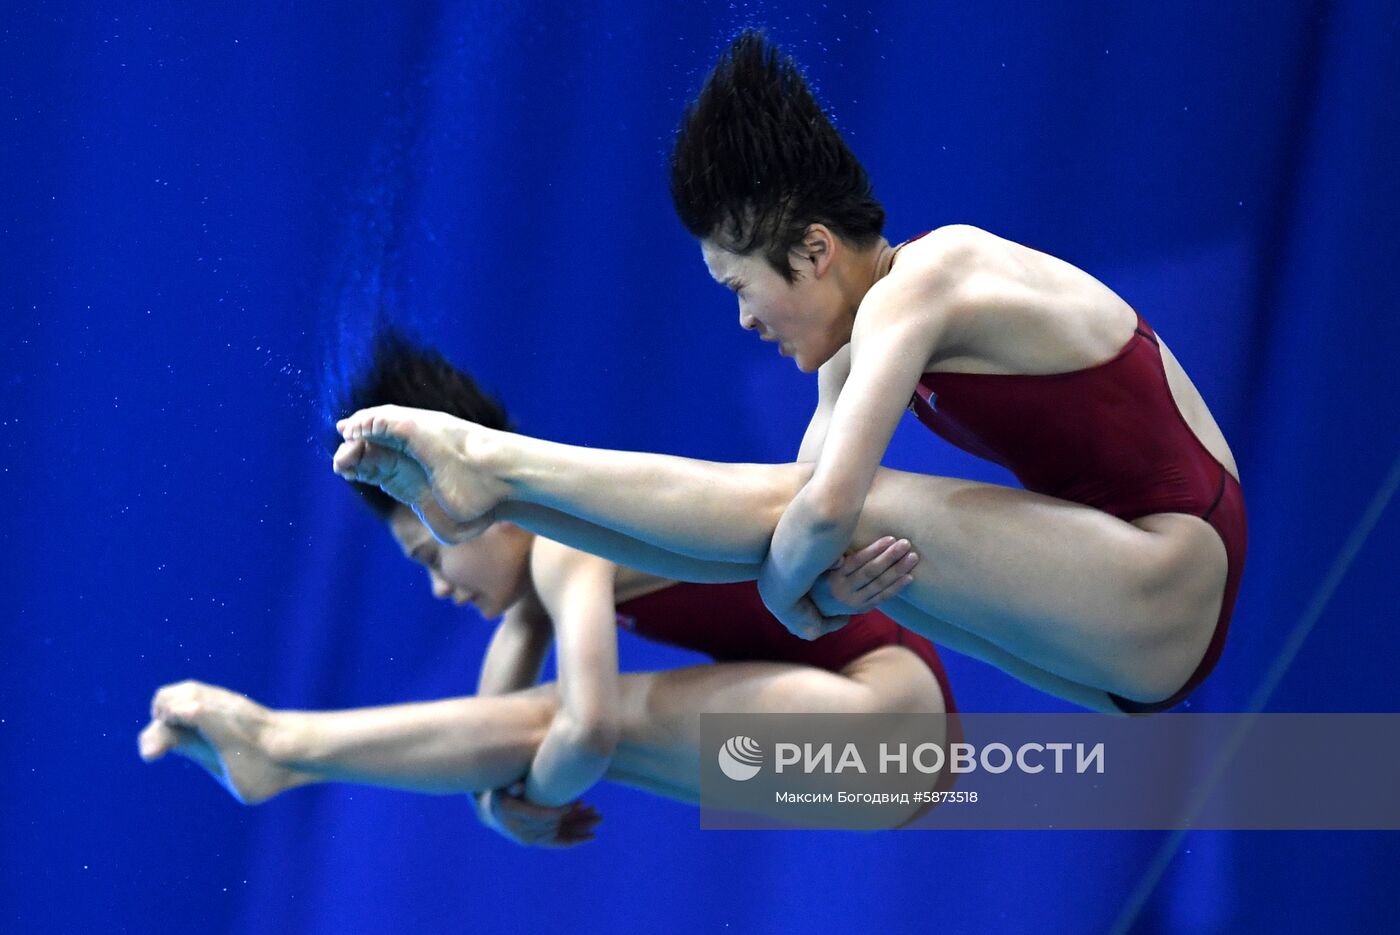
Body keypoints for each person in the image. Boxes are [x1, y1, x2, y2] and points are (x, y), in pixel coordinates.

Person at [332, 30, 1247, 715]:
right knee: (821, 514)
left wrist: (799, 586)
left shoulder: (933, 278)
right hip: (1117, 649)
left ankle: (499, 469)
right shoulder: (851, 353)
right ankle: (504, 494)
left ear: (813, 250)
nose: (743, 319)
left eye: (741, 286)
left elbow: (808, 525)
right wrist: (804, 585)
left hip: (1173, 566)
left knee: (845, 508)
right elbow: (785, 559)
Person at [140, 334, 957, 841]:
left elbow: (587, 730)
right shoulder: (543, 590)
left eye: (431, 554)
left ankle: (284, 748)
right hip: (895, 748)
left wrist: (535, 789)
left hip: (885, 724)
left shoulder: (565, 546)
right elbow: (484, 737)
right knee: (533, 723)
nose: (438, 586)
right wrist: (503, 803)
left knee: (563, 717)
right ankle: (282, 752)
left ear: (479, 505)